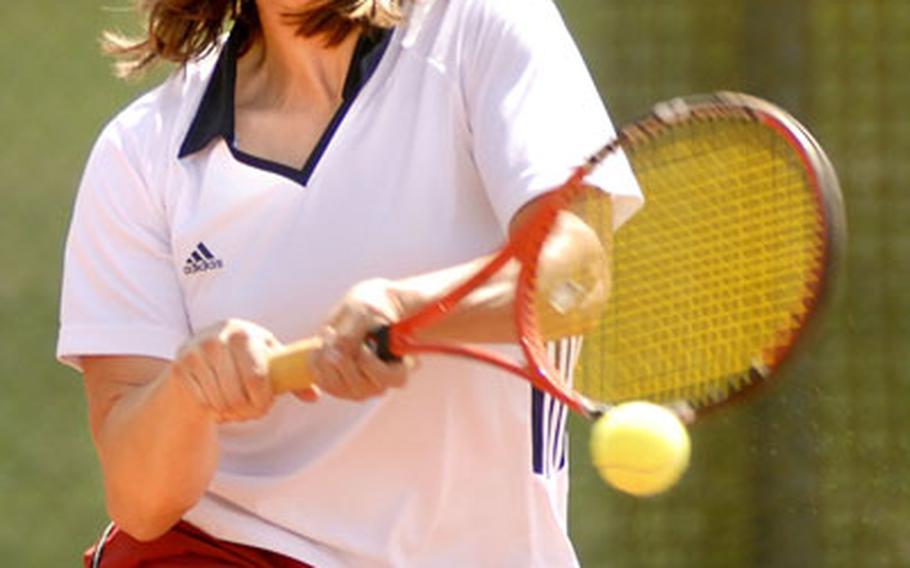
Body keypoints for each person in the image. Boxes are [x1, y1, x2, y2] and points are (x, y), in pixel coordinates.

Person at [58, 0, 643, 565]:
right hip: (232, 547)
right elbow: (140, 502)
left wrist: (407, 308)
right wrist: (190, 389)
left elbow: (573, 276)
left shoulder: (484, 22)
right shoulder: (139, 153)